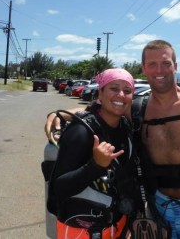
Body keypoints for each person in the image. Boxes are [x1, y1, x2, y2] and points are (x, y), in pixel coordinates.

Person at [45, 40, 180, 237]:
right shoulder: (137, 109)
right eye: (152, 64)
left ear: (175, 66)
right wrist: (59, 114)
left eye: (166, 63)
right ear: (144, 68)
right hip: (156, 208)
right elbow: (103, 108)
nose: (159, 70)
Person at [47, 68, 139, 238]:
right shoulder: (81, 132)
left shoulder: (125, 128)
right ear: (100, 94)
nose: (120, 94)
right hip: (81, 231)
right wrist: (95, 165)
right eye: (113, 88)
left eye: (127, 91)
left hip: (117, 226)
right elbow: (58, 189)